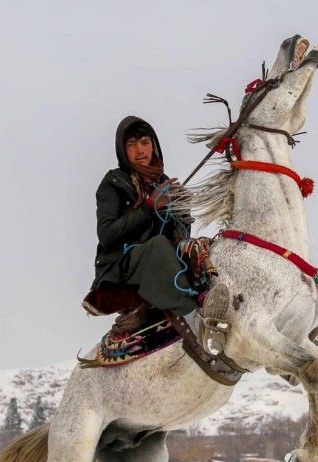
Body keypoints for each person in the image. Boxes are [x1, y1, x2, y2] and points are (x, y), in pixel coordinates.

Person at [87, 116, 228, 338]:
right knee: (159, 246)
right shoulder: (113, 183)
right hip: (120, 265)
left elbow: (177, 236)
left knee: (200, 248)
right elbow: (106, 235)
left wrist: (182, 210)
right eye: (131, 145)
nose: (140, 150)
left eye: (145, 142)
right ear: (122, 150)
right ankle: (194, 318)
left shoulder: (163, 183)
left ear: (154, 145)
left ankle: (211, 298)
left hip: (159, 258)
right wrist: (149, 206)